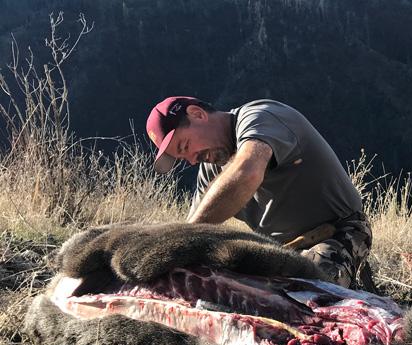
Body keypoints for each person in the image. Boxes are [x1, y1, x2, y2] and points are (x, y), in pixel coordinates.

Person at [145, 96, 371, 288]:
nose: (192, 160)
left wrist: (185, 238)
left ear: (197, 114)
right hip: (282, 251)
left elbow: (247, 173)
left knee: (307, 296)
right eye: (183, 158)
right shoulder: (211, 167)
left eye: (185, 147)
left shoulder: (260, 117)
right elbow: (197, 227)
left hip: (338, 233)